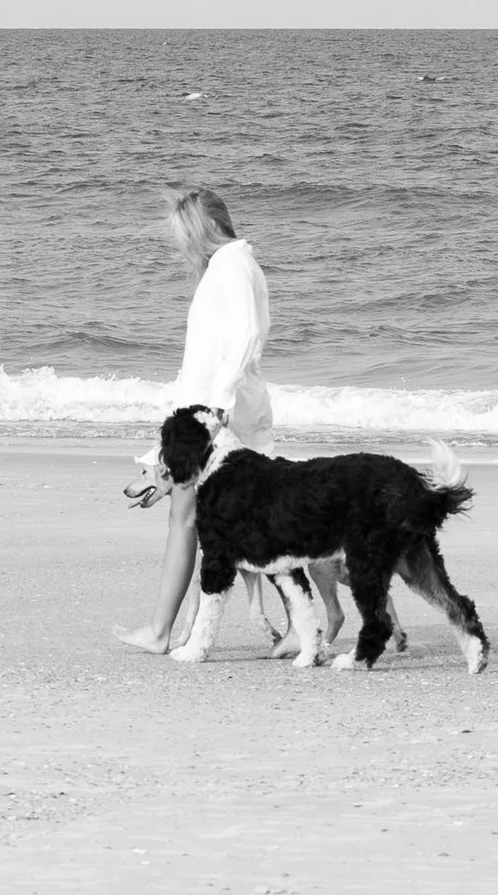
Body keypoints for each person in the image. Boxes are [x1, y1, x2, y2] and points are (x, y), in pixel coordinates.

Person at [112, 184, 343, 653]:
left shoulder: (233, 265)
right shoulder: (229, 265)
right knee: (250, 520)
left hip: (218, 419)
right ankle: (299, 627)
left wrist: (215, 407)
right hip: (217, 414)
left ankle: (161, 632)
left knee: (187, 520)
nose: (181, 246)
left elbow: (246, 335)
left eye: (184, 234)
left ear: (206, 229)